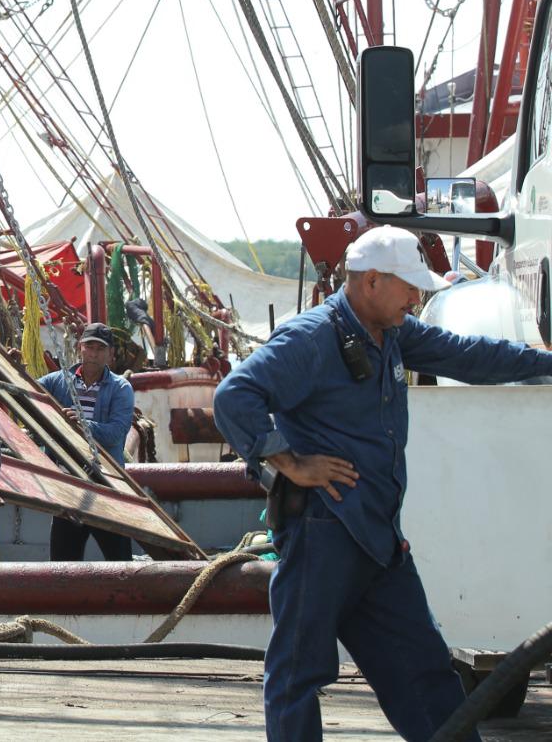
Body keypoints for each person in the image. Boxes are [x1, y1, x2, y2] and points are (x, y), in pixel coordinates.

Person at [214, 225, 552, 742]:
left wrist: (547, 364)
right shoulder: (311, 339)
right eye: (410, 287)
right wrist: (289, 462)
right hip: (323, 533)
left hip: (377, 539)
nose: (417, 298)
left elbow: (467, 355)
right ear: (371, 281)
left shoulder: (392, 331)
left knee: (425, 670)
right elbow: (235, 396)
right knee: (298, 675)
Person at [38, 321, 136, 561]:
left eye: (100, 349)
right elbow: (23, 394)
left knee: (120, 561)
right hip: (69, 483)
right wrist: (16, 366)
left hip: (105, 484)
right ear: (80, 348)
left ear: (110, 355)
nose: (93, 353)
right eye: (89, 347)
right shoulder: (55, 381)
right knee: (62, 563)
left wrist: (83, 425)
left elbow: (117, 432)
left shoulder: (121, 388)